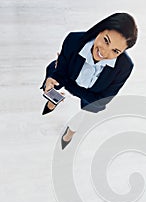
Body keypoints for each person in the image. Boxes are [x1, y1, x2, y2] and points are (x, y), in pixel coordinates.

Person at [40, 12, 138, 149]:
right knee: (53, 90)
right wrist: (53, 79)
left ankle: (69, 134)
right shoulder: (74, 40)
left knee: (81, 116)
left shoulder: (125, 67)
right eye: (106, 40)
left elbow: (100, 101)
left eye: (115, 51)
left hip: (90, 97)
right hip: (77, 85)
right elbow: (61, 73)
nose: (105, 52)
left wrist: (69, 85)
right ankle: (52, 103)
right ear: (100, 30)